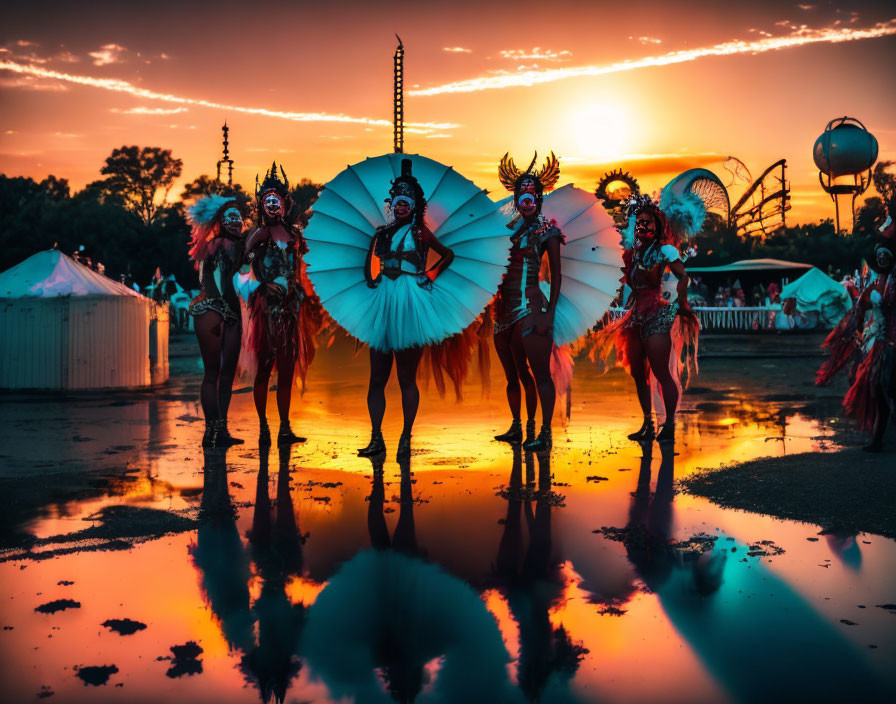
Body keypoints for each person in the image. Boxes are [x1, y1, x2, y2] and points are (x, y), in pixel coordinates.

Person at [353, 159, 456, 460]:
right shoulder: (381, 233)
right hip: (384, 301)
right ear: (392, 204)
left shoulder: (421, 233)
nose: (400, 207)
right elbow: (367, 267)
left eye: (405, 202)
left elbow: (447, 255)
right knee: (376, 378)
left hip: (410, 301)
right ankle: (376, 439)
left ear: (413, 205)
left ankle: (406, 439)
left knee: (406, 378)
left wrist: (429, 275)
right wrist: (372, 279)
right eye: (396, 202)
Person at [593, 194, 699, 445]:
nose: (642, 226)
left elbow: (683, 277)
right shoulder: (633, 253)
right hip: (635, 318)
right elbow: (626, 283)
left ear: (658, 224)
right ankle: (647, 424)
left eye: (647, 222)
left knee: (662, 374)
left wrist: (681, 303)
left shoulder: (666, 250)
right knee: (639, 376)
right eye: (638, 221)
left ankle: (670, 425)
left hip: (657, 315)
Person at [244, 163, 321, 446]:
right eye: (268, 200)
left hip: (292, 311)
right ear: (262, 204)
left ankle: (285, 427)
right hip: (268, 310)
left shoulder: (296, 235)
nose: (273, 205)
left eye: (277, 200)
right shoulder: (259, 235)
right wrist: (263, 285)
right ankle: (264, 426)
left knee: (287, 369)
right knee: (265, 367)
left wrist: (305, 292)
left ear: (285, 203)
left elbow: (303, 267)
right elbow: (243, 266)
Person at [492, 153, 563, 451]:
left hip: (531, 309)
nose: (526, 193)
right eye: (521, 190)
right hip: (502, 313)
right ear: (516, 196)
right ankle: (518, 427)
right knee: (514, 376)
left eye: (531, 190)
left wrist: (550, 313)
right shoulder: (506, 231)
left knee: (540, 374)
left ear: (538, 196)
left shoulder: (548, 230)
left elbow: (557, 276)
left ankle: (544, 433)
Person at [187, 194, 245, 447]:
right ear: (220, 222)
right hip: (215, 311)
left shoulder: (222, 245)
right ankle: (213, 431)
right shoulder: (223, 245)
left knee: (224, 374)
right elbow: (227, 281)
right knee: (215, 374)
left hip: (222, 313)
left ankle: (218, 431)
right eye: (229, 218)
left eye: (238, 218)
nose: (236, 222)